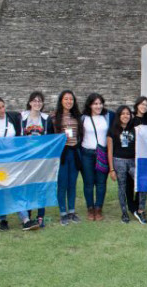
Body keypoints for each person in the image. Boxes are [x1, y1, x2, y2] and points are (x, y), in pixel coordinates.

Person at [0, 95, 28, 231]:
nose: (2, 110)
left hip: (13, 161)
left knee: (17, 188)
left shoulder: (13, 117)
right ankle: (3, 219)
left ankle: (25, 218)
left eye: (3, 106)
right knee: (1, 190)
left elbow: (20, 137)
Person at [107, 106, 147, 225]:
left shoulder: (135, 129)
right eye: (123, 114)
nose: (125, 116)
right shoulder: (112, 130)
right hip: (119, 161)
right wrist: (111, 169)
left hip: (133, 161)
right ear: (118, 116)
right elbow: (110, 150)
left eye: (128, 114)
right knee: (122, 187)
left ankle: (140, 210)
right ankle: (124, 213)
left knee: (142, 184)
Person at [20, 91, 55, 228]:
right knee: (27, 187)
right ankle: (27, 216)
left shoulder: (46, 119)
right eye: (34, 101)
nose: (37, 103)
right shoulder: (22, 117)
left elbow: (51, 138)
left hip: (41, 159)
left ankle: (40, 216)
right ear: (29, 103)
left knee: (41, 187)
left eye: (39, 101)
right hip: (26, 159)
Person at [80, 93, 114, 222]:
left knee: (101, 183)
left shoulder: (108, 117)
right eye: (95, 103)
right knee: (88, 183)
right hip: (86, 153)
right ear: (90, 105)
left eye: (100, 103)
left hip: (102, 153)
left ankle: (98, 208)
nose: (98, 106)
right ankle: (90, 208)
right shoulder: (83, 118)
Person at [52, 90, 83, 225]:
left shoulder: (77, 116)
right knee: (62, 183)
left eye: (71, 99)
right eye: (66, 99)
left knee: (72, 183)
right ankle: (63, 213)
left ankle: (71, 211)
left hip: (74, 152)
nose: (69, 101)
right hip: (62, 153)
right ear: (61, 101)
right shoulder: (54, 117)